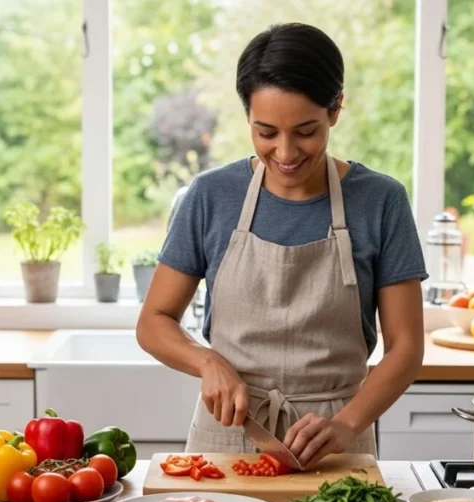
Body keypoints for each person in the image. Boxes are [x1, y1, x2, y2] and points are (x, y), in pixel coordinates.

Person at [136, 22, 427, 469]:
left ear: (335, 110)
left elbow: (406, 348)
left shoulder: (381, 201)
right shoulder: (211, 196)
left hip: (336, 438)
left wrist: (347, 425)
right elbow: (154, 322)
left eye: (305, 131)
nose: (286, 153)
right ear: (247, 118)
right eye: (266, 132)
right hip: (228, 432)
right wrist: (207, 362)